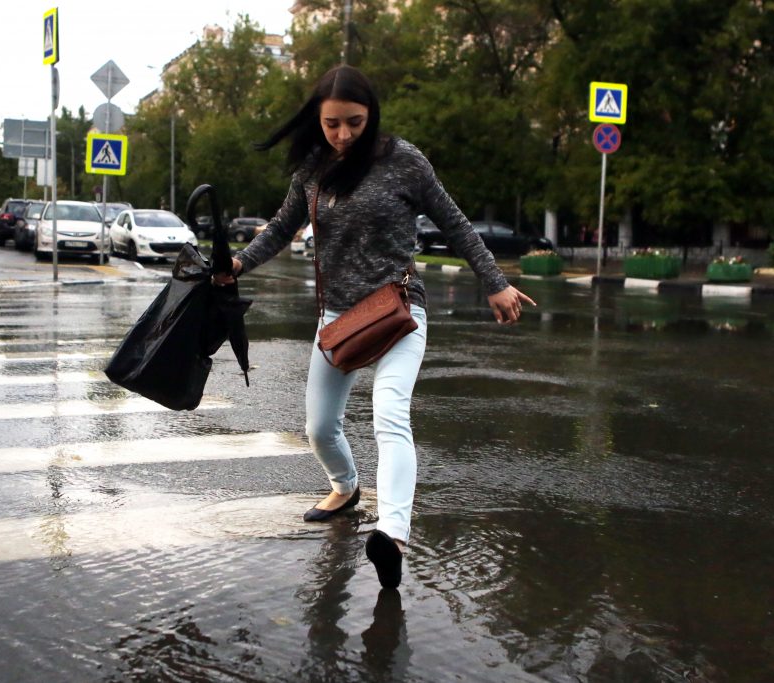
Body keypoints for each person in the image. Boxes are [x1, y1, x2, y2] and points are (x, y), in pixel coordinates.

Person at [212, 65, 536, 589]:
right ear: (318, 121)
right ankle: (346, 487)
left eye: (355, 123)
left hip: (398, 309)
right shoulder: (314, 169)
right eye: (332, 124)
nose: (343, 135)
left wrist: (495, 282)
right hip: (338, 317)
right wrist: (239, 265)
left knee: (389, 413)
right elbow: (280, 228)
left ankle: (393, 535)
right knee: (319, 428)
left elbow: (454, 222)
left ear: (372, 117)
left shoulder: (403, 161)